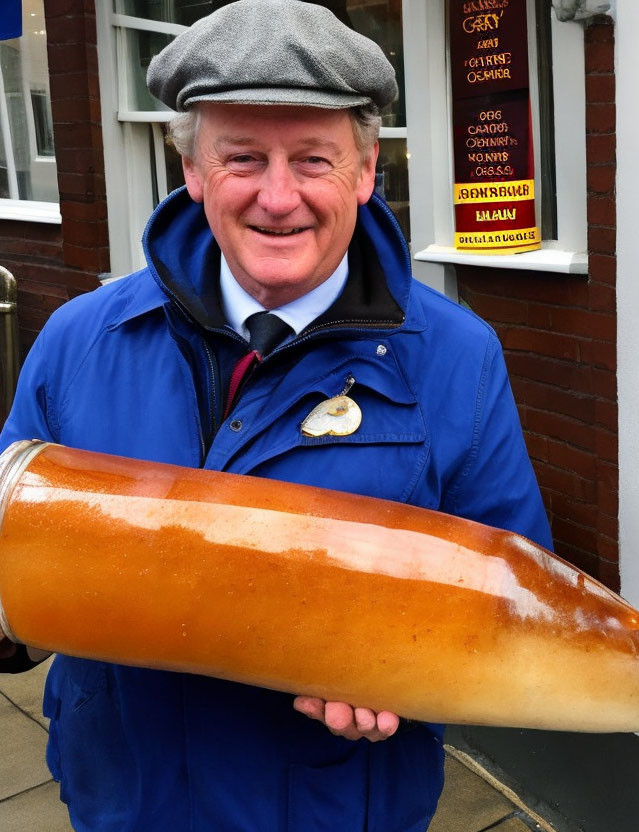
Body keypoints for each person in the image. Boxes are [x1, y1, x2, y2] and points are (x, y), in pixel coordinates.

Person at [0, 0, 552, 829]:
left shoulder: (456, 359)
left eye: (314, 160)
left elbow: (511, 605)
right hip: (122, 802)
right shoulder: (82, 338)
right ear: (191, 170)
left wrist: (405, 674)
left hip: (333, 806)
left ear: (366, 172)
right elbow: (15, 548)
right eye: (243, 157)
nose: (278, 196)